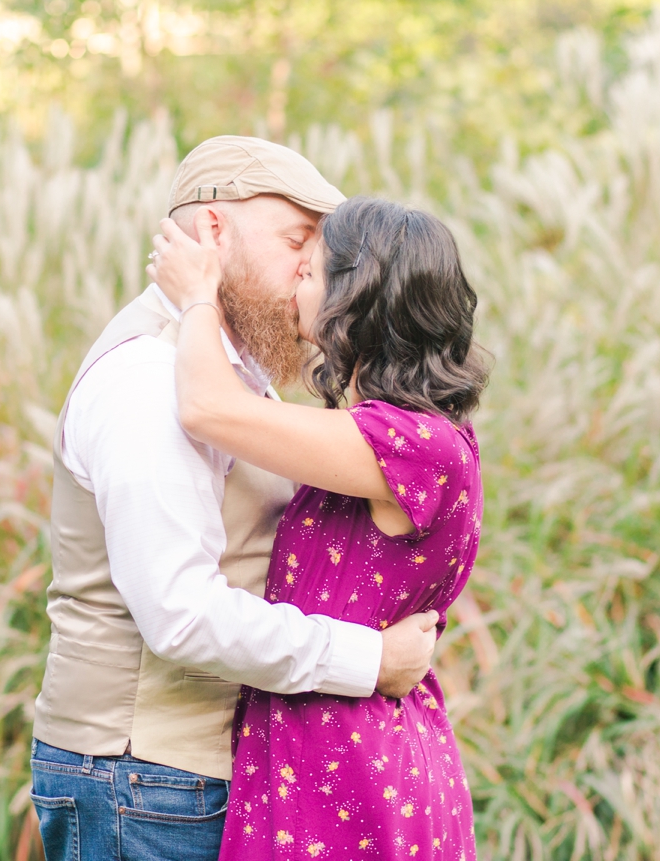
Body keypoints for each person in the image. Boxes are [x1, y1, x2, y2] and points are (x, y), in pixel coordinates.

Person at [29, 136, 443, 861]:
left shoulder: (230, 370)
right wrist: (368, 658)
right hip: (145, 778)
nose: (312, 275)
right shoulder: (151, 380)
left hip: (186, 779)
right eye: (296, 243)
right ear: (214, 231)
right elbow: (181, 614)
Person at [149, 194, 489, 860]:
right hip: (334, 759)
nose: (295, 281)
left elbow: (206, 406)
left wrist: (198, 295)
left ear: (355, 298)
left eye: (311, 269)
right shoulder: (393, 437)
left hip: (350, 775)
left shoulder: (414, 445)